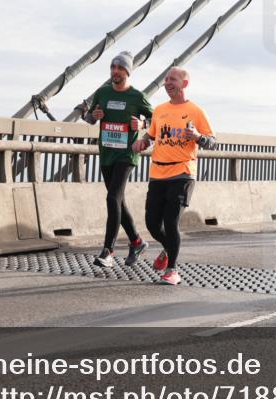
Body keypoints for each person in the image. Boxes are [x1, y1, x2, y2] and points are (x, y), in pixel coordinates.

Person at [131, 67, 217, 286]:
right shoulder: (160, 110)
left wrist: (197, 137)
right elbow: (151, 135)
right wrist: (142, 142)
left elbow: (213, 142)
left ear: (184, 84)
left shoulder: (196, 111)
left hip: (183, 173)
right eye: (166, 79)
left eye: (173, 79)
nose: (167, 82)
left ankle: (172, 270)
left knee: (170, 221)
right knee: (152, 224)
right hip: (157, 173)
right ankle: (169, 248)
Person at [85, 52, 155, 268]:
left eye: (120, 68)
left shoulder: (137, 96)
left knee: (112, 198)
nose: (115, 71)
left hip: (127, 154)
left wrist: (142, 125)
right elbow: (89, 117)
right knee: (117, 201)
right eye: (113, 67)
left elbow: (155, 120)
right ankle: (137, 242)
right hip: (107, 153)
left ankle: (108, 251)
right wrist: (94, 116)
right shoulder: (102, 92)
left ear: (128, 72)